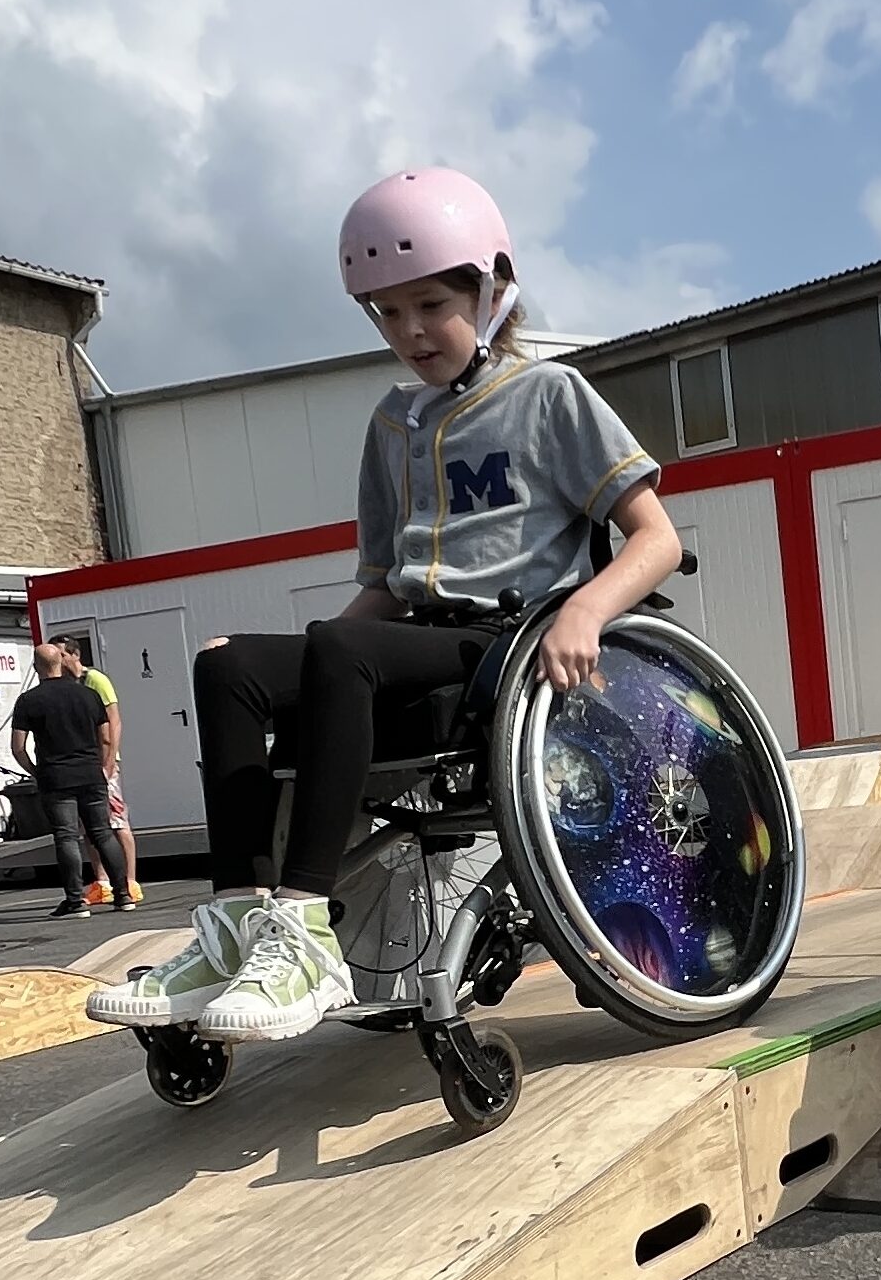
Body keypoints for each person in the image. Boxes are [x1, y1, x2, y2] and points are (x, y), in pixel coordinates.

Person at [85, 167, 680, 1042]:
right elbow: (381, 587)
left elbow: (655, 538)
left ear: (491, 288)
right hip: (409, 636)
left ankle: (305, 933)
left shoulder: (546, 396)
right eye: (386, 312)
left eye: (430, 304)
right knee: (228, 664)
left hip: (508, 638)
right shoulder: (392, 425)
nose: (409, 331)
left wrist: (584, 612)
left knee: (341, 651)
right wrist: (300, 663)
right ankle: (238, 927)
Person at [11, 643, 131, 918]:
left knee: (66, 836)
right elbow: (106, 737)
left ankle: (75, 901)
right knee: (101, 832)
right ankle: (123, 894)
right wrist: (105, 765)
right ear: (61, 663)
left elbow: (18, 746)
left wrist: (35, 770)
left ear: (35, 667)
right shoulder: (88, 695)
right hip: (91, 773)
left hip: (56, 776)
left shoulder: (29, 700)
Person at [47, 633, 141, 909]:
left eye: (61, 654)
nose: (59, 660)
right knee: (89, 825)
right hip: (85, 765)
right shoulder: (68, 686)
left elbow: (114, 723)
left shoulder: (95, 680)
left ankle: (130, 881)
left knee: (116, 821)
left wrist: (108, 764)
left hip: (103, 762)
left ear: (74, 655)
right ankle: (102, 881)